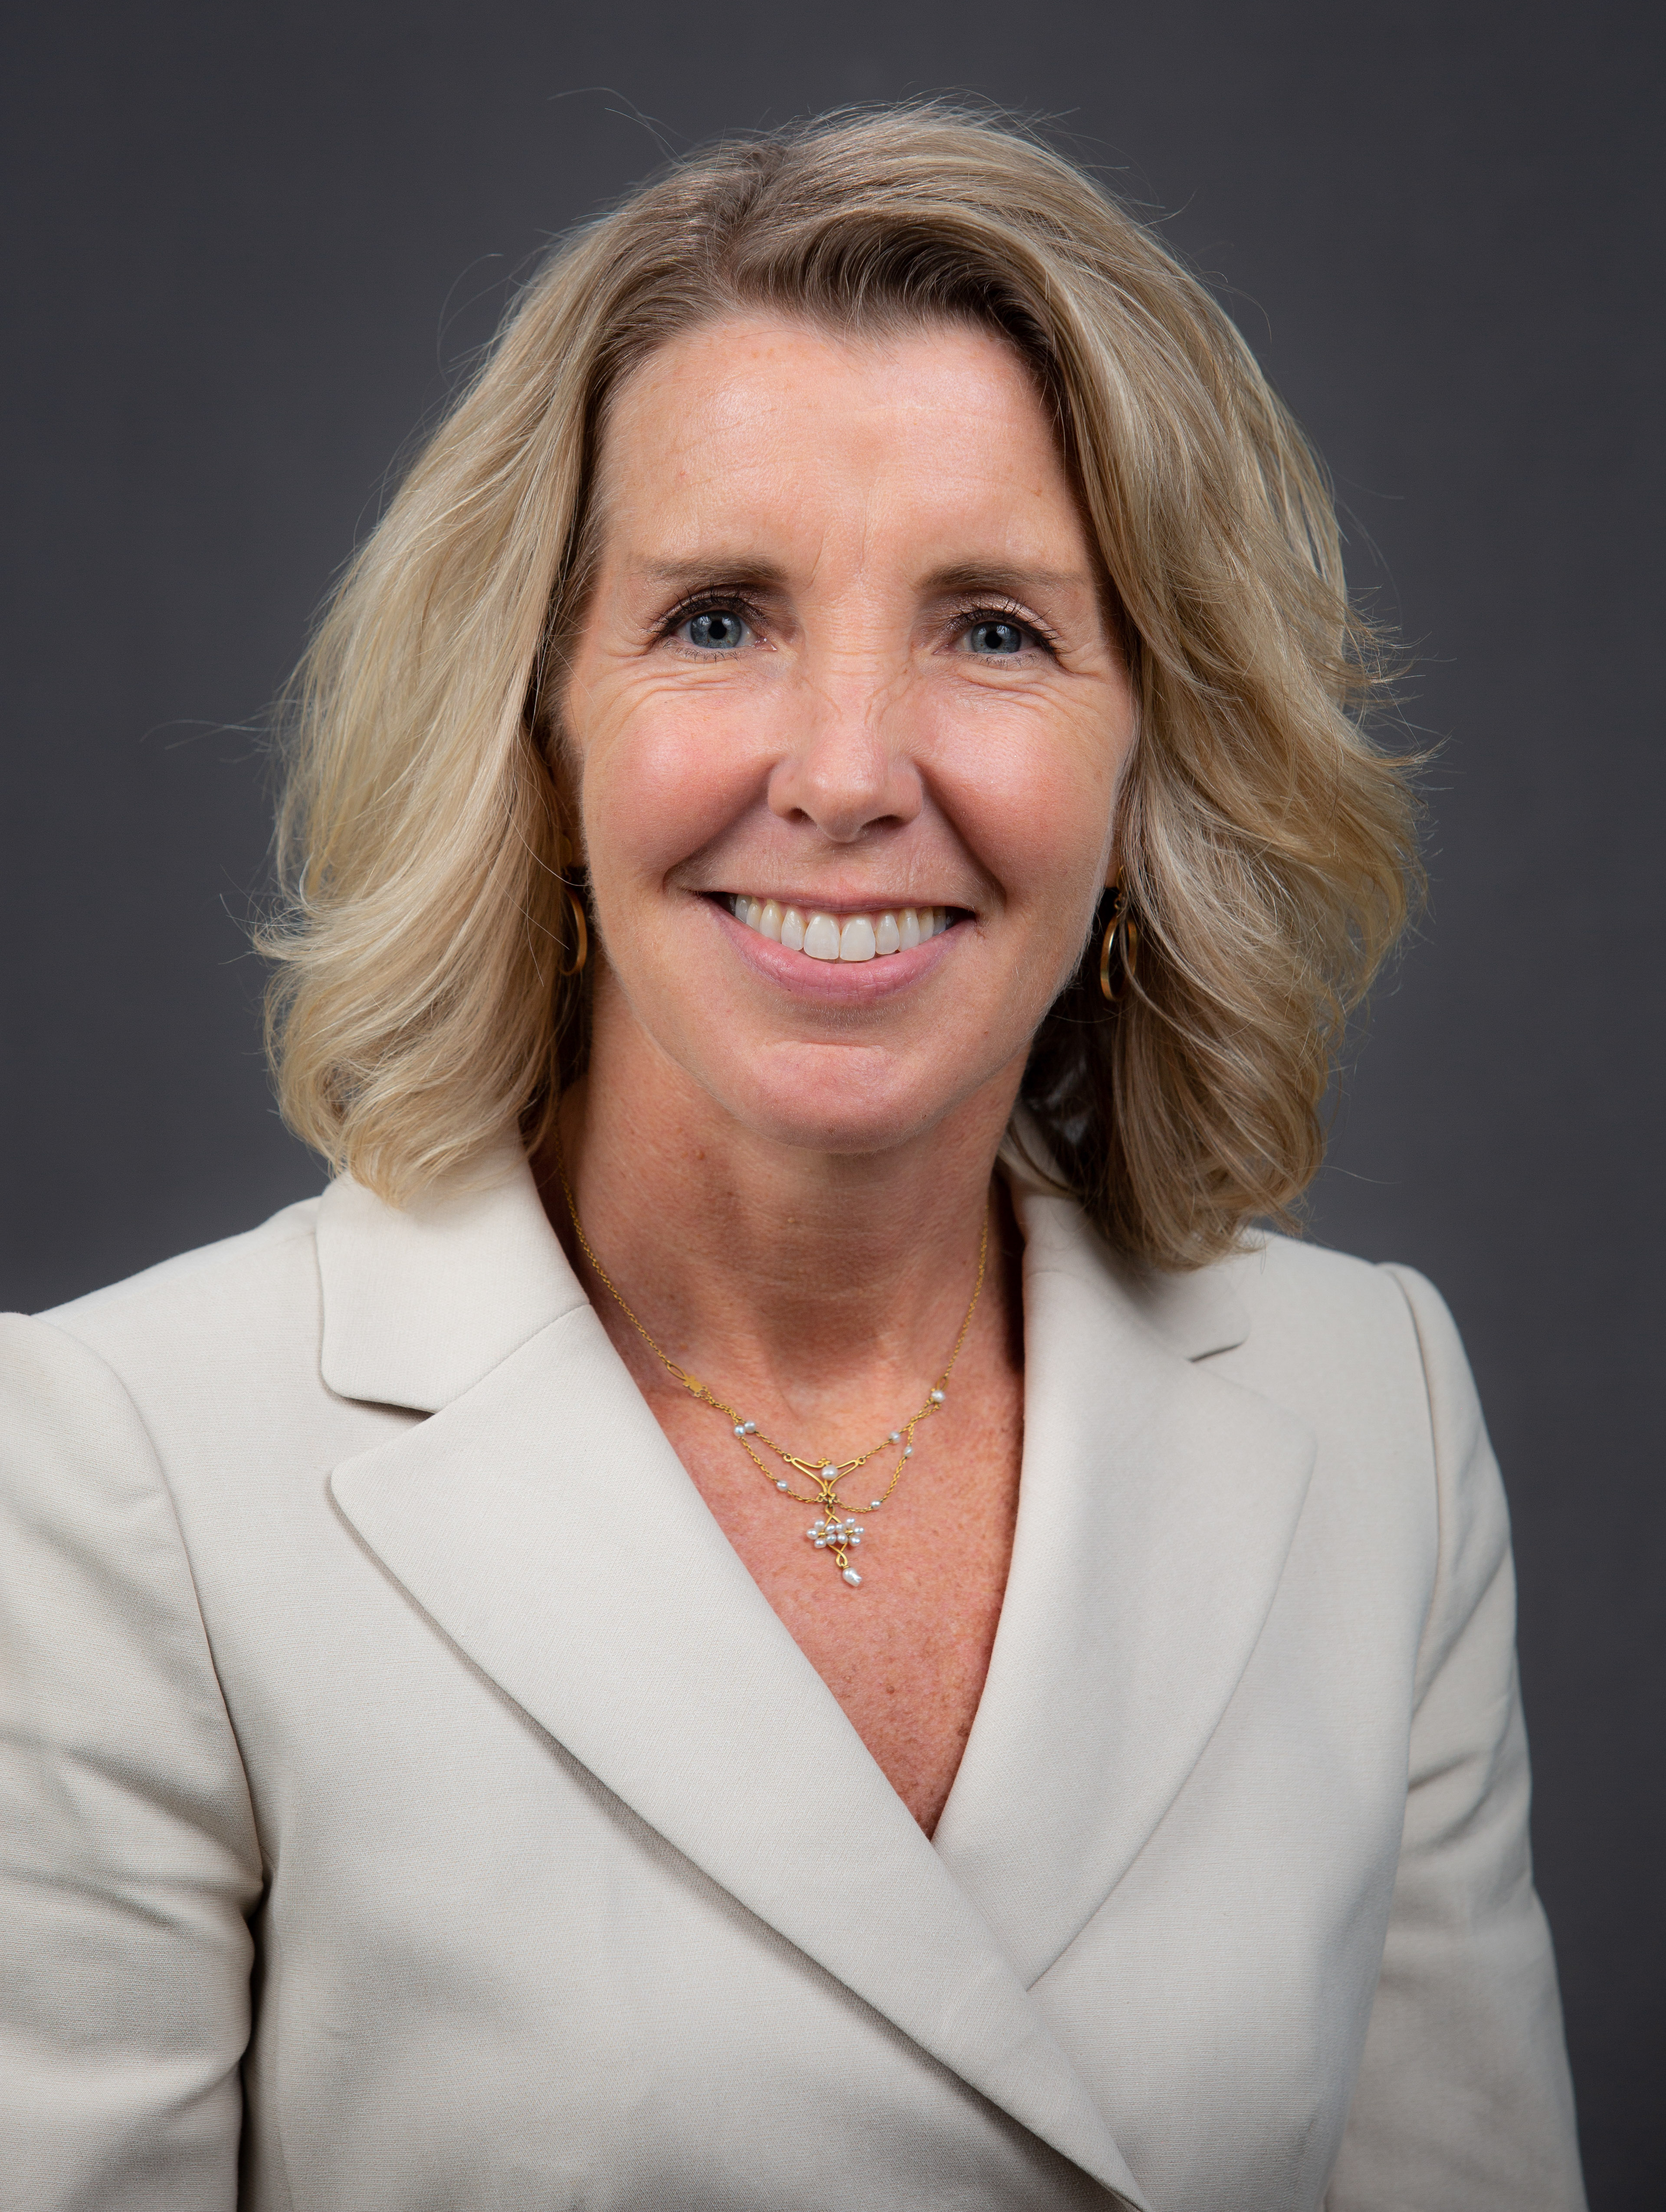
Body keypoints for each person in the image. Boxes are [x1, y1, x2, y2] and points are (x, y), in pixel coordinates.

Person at [0, 107, 1584, 2210]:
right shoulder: (121, 1468)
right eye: (720, 618)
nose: (847, 776)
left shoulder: (1369, 1407)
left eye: (996, 630)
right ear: (539, 726)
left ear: (1156, 759)